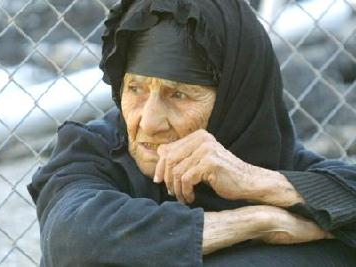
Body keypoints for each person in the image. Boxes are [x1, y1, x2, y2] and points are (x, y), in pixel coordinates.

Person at [27, 0, 356, 266]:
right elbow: (75, 239)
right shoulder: (94, 152)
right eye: (136, 89)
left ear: (234, 99)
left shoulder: (264, 152)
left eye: (179, 95)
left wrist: (254, 181)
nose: (149, 121)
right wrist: (257, 222)